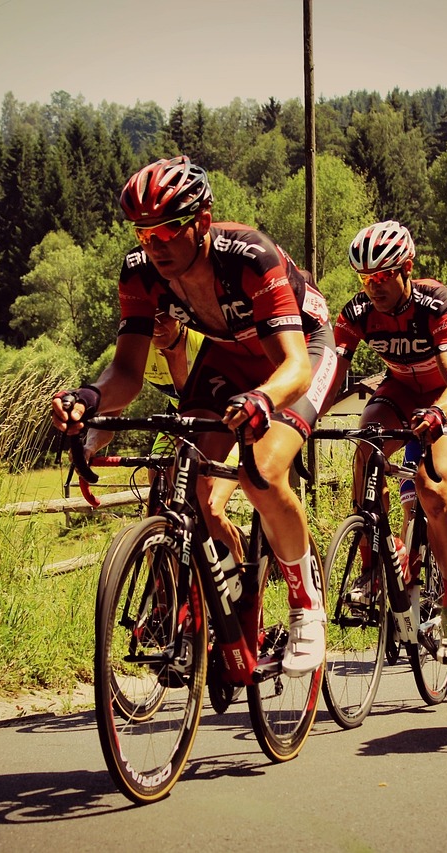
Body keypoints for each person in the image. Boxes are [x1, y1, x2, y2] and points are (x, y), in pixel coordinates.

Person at [51, 155, 338, 677]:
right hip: (229, 354)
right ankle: (230, 598)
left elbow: (294, 366)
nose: (153, 246)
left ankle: (305, 606)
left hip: (299, 352)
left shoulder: (249, 256)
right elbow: (126, 374)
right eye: (143, 233)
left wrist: (264, 400)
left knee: (262, 472)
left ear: (201, 222)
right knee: (195, 491)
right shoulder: (140, 274)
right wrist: (89, 402)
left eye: (166, 231)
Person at [329, 220, 447, 665]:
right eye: (365, 279)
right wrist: (299, 417)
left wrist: (438, 413)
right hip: (399, 388)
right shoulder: (358, 313)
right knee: (365, 447)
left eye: (382, 277)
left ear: (406, 269)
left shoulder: (437, 303)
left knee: (432, 488)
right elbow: (331, 374)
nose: (373, 287)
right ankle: (370, 568)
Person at [82, 312, 240, 546]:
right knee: (158, 504)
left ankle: (241, 581)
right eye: (150, 317)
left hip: (225, 420)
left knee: (210, 509)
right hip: (177, 418)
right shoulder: (142, 350)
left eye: (164, 316)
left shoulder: (203, 338)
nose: (155, 325)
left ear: (180, 316)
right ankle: (164, 578)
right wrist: (89, 446)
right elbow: (110, 414)